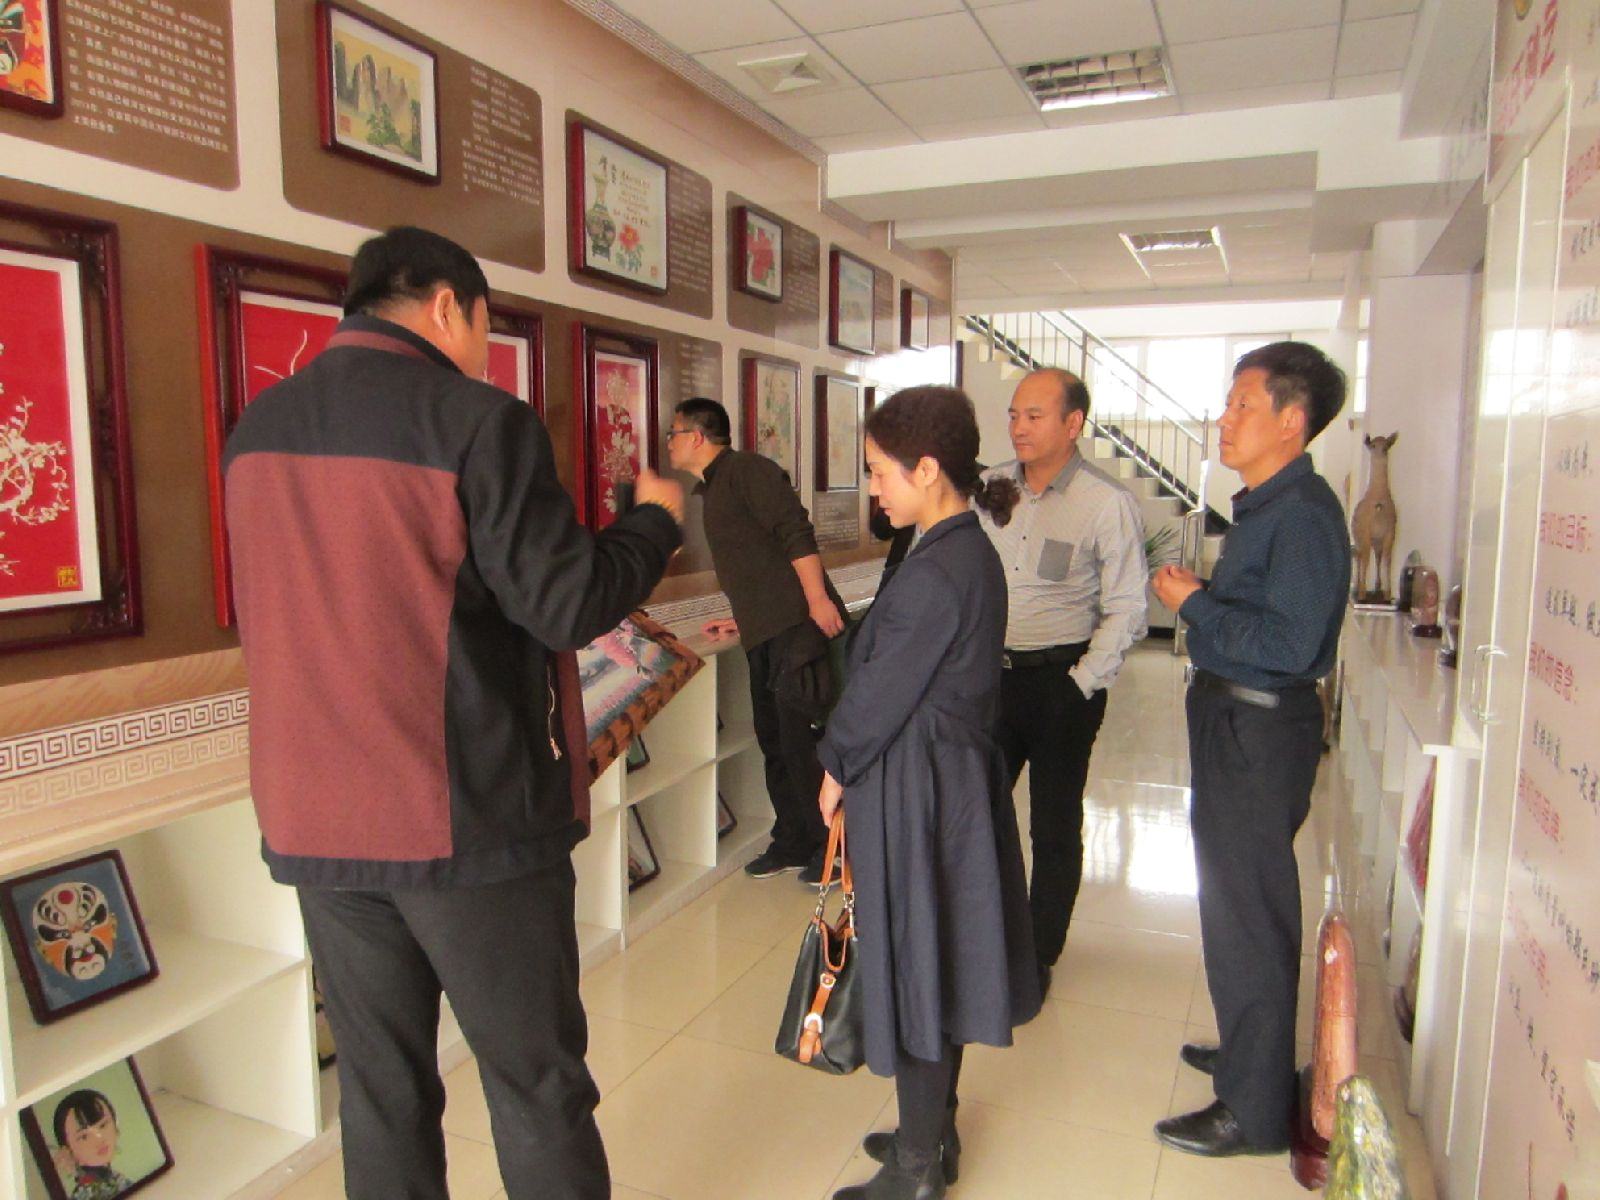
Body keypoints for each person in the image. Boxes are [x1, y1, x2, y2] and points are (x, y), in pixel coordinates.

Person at [224, 226, 684, 1200]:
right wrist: (653, 523)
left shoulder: (257, 427)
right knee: (535, 1083)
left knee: (381, 1091)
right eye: (483, 323)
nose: (481, 346)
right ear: (446, 306)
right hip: (459, 814)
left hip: (316, 817)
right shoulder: (477, 421)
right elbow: (564, 603)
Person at [816, 386, 1041, 1200]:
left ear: (927, 469)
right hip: (948, 781)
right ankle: (930, 1134)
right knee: (937, 958)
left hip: (920, 789)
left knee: (917, 965)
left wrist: (835, 769)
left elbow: (878, 695)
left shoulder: (937, 573)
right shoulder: (960, 549)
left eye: (880, 472)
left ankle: (916, 1170)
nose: (874, 489)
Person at [1151, 341, 1350, 1157]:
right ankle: (1250, 1057)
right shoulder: (1269, 505)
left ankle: (1255, 1110)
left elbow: (1293, 646)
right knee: (1234, 906)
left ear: (1291, 421)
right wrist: (1204, 599)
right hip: (1238, 724)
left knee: (1249, 916)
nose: (1224, 420)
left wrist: (1195, 605)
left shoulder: (1300, 515)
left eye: (1243, 405)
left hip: (1259, 731)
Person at [977, 368, 1148, 995]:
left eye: (1034, 415)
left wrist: (1079, 685)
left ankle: (1037, 954)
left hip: (1060, 683)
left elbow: (1128, 608)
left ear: (1073, 424)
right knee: (976, 815)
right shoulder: (990, 489)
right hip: (990, 681)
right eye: (1013, 414)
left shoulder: (1105, 503)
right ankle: (980, 935)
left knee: (1052, 825)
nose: (1018, 427)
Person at [666, 397, 846, 884]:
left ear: (697, 437)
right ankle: (793, 841)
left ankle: (832, 850)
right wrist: (742, 618)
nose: (669, 443)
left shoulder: (748, 470)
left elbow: (795, 534)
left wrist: (817, 600)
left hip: (797, 629)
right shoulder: (713, 487)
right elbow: (759, 565)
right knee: (774, 741)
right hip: (765, 630)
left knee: (802, 744)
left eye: (674, 433)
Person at [51, 1090, 129, 1200]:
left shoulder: (115, 1178)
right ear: (67, 1150)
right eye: (84, 1136)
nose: (98, 1138)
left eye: (103, 1125)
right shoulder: (85, 1194)